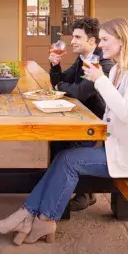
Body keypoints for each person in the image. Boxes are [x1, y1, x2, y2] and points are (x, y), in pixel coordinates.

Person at [0, 18, 128, 245]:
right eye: (100, 39)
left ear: (122, 40)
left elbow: (127, 112)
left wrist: (100, 80)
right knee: (64, 155)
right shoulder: (118, 71)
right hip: (116, 147)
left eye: (104, 40)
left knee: (68, 160)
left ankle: (37, 217)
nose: (100, 45)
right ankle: (32, 217)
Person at [48, 17, 113, 211]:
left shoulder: (102, 62)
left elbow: (79, 91)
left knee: (63, 143)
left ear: (92, 41)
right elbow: (62, 80)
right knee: (57, 139)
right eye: (72, 36)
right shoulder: (84, 58)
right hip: (83, 115)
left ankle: (72, 192)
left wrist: (61, 86)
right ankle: (64, 189)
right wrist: (54, 65)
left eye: (77, 37)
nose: (72, 41)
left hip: (99, 123)